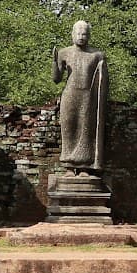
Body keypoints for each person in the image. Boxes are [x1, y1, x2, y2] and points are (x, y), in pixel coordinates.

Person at [53, 20, 108, 171]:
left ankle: (85, 166)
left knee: (86, 131)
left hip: (88, 96)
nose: (81, 37)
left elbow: (103, 80)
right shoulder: (64, 53)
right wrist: (54, 63)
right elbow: (56, 79)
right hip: (70, 95)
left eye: (84, 34)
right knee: (68, 129)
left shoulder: (97, 55)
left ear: (89, 36)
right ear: (72, 34)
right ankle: (68, 166)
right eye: (78, 34)